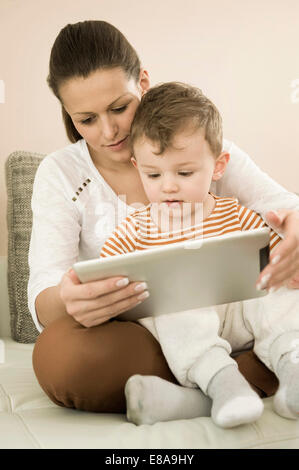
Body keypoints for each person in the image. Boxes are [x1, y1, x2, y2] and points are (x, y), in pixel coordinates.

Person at [29, 20, 299, 415]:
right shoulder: (61, 175)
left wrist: (291, 241)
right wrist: (71, 301)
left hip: (240, 315)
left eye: (119, 107)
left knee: (284, 297)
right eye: (86, 120)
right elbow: (44, 292)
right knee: (61, 358)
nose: (109, 131)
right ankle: (236, 376)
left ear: (143, 82)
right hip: (146, 336)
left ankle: (202, 395)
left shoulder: (200, 145)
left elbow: (283, 208)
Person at [99, 81, 299, 428]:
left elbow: (272, 254)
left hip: (241, 317)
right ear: (137, 166)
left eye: (185, 173)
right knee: (176, 298)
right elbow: (108, 270)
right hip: (188, 328)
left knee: (277, 285)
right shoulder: (135, 229)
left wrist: (283, 261)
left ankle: (291, 365)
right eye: (153, 174)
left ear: (218, 166)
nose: (169, 186)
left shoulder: (235, 213)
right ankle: (225, 384)